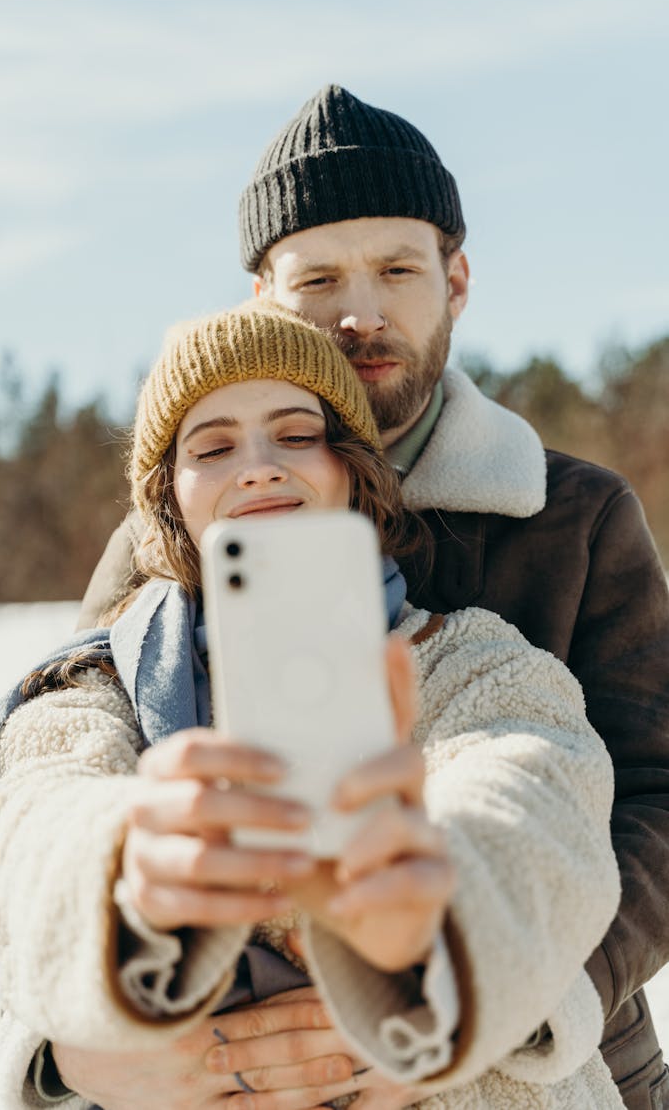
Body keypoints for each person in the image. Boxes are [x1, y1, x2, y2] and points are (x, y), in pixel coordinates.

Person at [64, 84, 669, 1110]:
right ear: (263, 297)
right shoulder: (156, 548)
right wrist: (83, 1044)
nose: (361, 311)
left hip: (549, 1060)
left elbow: (656, 799)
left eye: (398, 269)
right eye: (320, 277)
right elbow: (73, 807)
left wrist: (469, 1009)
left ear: (457, 279)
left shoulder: (571, 517)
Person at [0, 300, 626, 1110]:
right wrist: (131, 872)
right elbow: (26, 828)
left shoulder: (469, 655)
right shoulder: (90, 689)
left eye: (297, 433)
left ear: (351, 465)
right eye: (212, 446)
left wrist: (435, 900)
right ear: (169, 495)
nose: (259, 465)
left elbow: (539, 788)